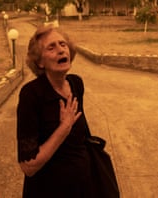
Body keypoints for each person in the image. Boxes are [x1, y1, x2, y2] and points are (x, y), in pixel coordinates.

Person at [16, 24, 94, 197]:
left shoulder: (76, 84)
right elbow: (28, 166)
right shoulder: (31, 95)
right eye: (51, 47)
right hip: (48, 189)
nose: (60, 50)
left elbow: (82, 138)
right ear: (40, 62)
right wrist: (64, 128)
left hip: (83, 187)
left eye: (63, 44)